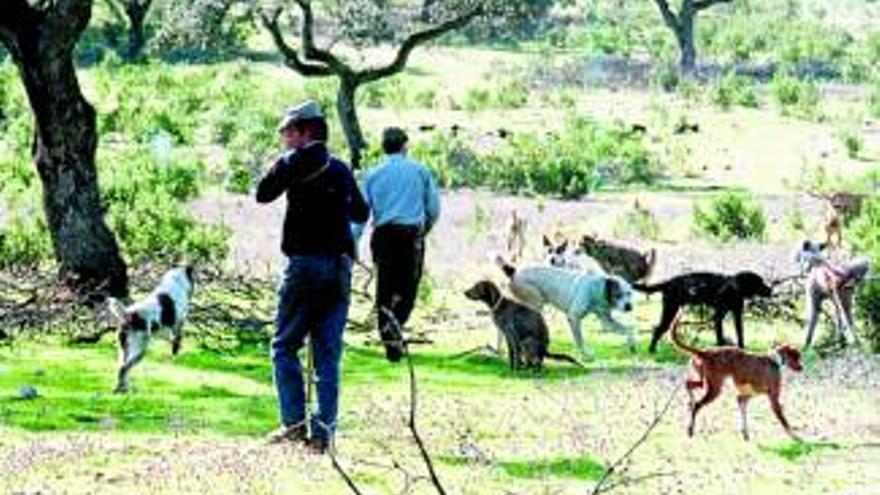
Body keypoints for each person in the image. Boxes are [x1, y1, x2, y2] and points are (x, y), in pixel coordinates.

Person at [256, 101, 369, 453]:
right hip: (338, 268)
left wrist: (283, 163)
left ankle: (293, 423)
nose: (284, 138)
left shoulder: (294, 162)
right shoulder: (339, 168)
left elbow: (263, 194)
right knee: (326, 356)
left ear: (305, 132)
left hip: (304, 266)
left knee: (284, 346)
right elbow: (361, 211)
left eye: (288, 131)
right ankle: (322, 435)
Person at [355, 127, 440, 362]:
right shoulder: (420, 171)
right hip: (410, 235)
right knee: (408, 287)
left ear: (384, 147)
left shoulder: (373, 175)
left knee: (385, 286)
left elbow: (362, 213)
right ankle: (396, 326)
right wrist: (425, 229)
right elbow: (433, 208)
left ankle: (389, 336)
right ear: (405, 146)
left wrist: (353, 240)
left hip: (383, 235)